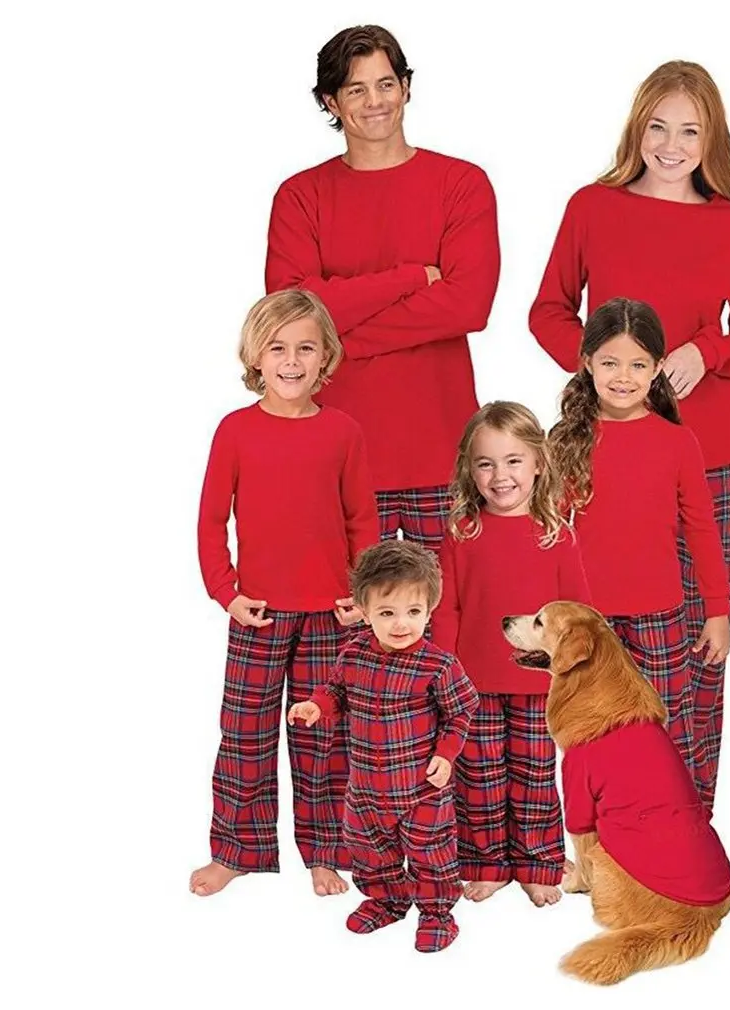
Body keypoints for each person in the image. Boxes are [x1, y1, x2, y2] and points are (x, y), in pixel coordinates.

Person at [530, 61, 730, 808]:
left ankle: (687, 811)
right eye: (658, 127)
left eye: (690, 131)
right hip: (603, 451)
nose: (672, 145)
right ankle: (610, 811)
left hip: (713, 452)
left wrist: (710, 351)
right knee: (601, 634)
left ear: (712, 139)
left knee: (700, 637)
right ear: (637, 129)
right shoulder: (592, 207)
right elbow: (548, 312)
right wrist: (606, 370)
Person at [266, 23, 500, 556]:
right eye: (356, 89)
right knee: (341, 605)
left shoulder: (462, 184)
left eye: (386, 84)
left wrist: (337, 335)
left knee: (450, 606)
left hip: (441, 450)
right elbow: (291, 316)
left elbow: (468, 305)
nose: (375, 101)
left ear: (406, 88)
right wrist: (411, 278)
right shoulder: (300, 197)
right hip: (335, 452)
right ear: (331, 102)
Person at [189, 290, 379, 898]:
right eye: (277, 348)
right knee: (245, 735)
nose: (291, 361)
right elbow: (210, 521)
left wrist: (363, 593)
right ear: (255, 356)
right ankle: (236, 850)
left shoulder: (344, 431)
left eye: (305, 348)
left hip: (330, 614)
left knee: (323, 738)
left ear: (326, 357)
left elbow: (362, 521)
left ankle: (325, 852)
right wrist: (226, 593)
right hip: (257, 613)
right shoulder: (235, 430)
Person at [548, 298, 730, 793]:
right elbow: (550, 530)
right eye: (610, 363)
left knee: (667, 736)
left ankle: (680, 824)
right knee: (595, 734)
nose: (623, 377)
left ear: (657, 368)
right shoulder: (567, 441)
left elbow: (702, 530)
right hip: (591, 621)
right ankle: (608, 827)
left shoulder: (677, 442)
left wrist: (717, 613)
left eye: (637, 364)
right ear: (588, 363)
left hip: (660, 616)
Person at [430, 402, 591, 907]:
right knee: (478, 777)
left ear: (538, 463)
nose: (500, 476)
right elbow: (448, 609)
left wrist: (576, 674)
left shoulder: (556, 534)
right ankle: (485, 863)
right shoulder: (461, 533)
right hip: (472, 683)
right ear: (470, 470)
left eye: (513, 461)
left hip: (538, 685)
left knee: (535, 776)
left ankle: (538, 862)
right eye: (486, 464)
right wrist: (444, 672)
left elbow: (577, 612)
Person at [288, 541, 479, 953]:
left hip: (421, 786)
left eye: (413, 611)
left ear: (429, 610)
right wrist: (315, 706)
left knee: (430, 850)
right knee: (368, 846)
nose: (401, 624)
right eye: (387, 613)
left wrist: (446, 754)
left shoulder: (439, 665)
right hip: (366, 786)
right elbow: (335, 691)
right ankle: (387, 900)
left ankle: (436, 913)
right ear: (364, 610)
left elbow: (461, 712)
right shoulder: (354, 653)